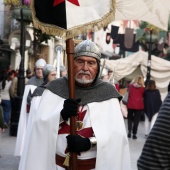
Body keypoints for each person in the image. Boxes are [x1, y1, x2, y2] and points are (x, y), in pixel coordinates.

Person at [23, 40, 131, 170]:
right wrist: (61, 115)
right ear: (71, 64)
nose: (85, 68)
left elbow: (117, 136)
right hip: (58, 166)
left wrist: (88, 143)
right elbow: (39, 127)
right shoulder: (54, 88)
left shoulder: (108, 94)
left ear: (98, 67)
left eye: (91, 63)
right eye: (80, 62)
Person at [18, 64, 57, 170]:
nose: (55, 77)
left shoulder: (58, 90)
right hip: (41, 129)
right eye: (52, 75)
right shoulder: (39, 91)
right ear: (46, 76)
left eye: (55, 74)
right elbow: (36, 113)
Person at [14, 58, 46, 157]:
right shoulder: (31, 83)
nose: (40, 71)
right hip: (32, 115)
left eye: (41, 69)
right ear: (35, 70)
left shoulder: (49, 82)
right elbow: (28, 100)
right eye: (38, 69)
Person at [137, 92, 170, 169]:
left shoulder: (146, 92)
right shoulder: (157, 92)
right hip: (155, 109)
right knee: (151, 122)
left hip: (145, 108)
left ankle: (146, 133)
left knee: (147, 122)